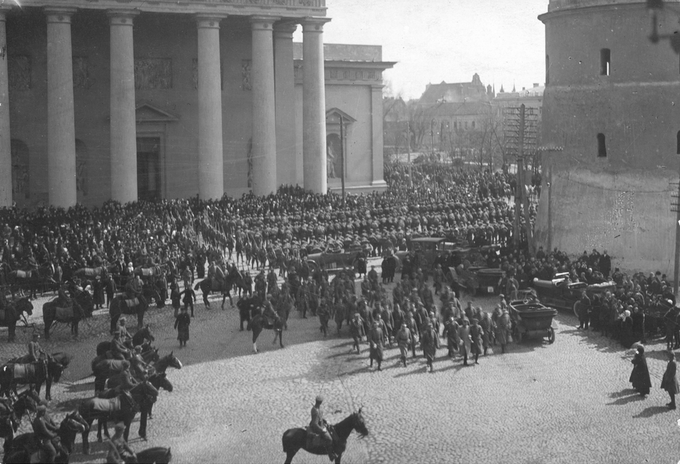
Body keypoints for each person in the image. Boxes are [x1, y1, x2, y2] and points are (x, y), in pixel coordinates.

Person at [309, 396, 336, 462]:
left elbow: (320, 418)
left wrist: (325, 421)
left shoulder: (319, 408)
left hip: (321, 424)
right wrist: (322, 430)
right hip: (316, 428)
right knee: (329, 439)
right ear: (320, 402)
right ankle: (331, 456)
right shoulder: (315, 411)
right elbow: (315, 423)